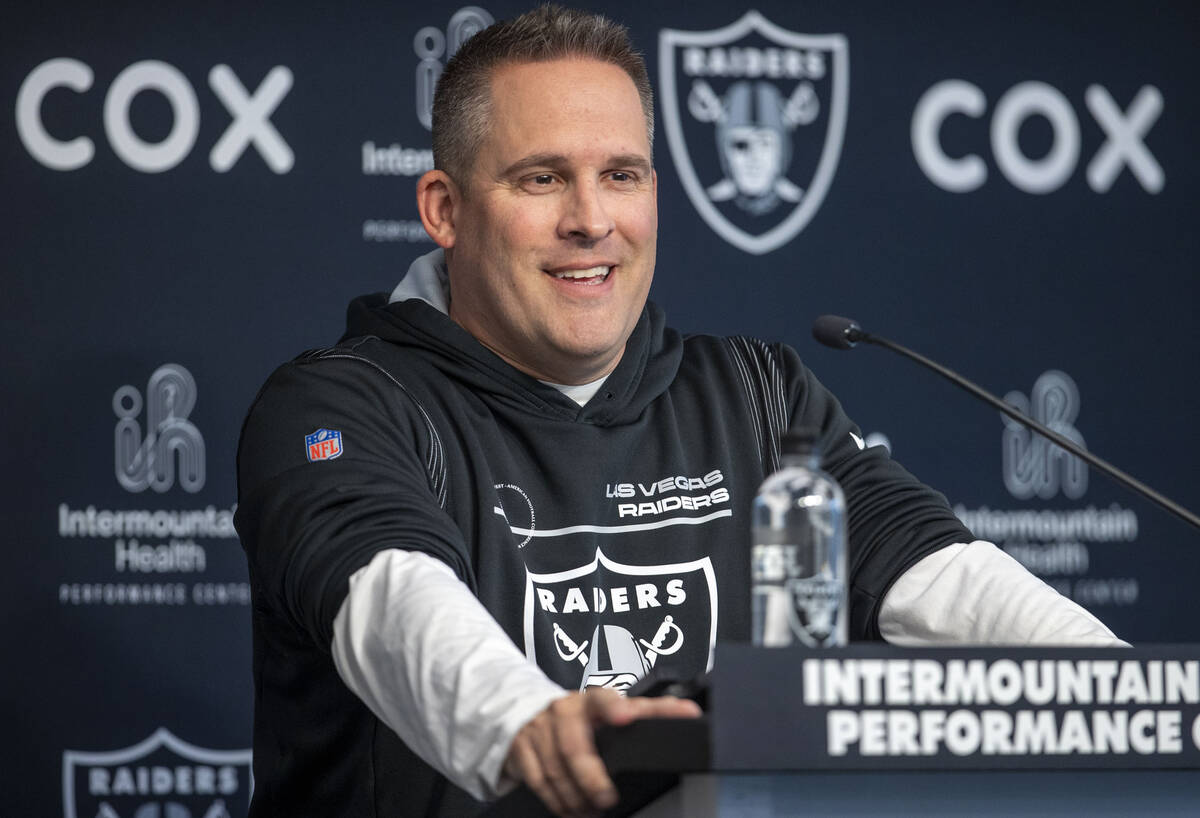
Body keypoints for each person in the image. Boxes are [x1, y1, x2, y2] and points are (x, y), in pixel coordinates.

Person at [235, 6, 1123, 817]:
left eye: (620, 174)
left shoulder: (757, 394)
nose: (591, 220)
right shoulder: (339, 404)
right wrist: (527, 727)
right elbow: (391, 595)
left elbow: (939, 577)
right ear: (445, 209)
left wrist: (1134, 703)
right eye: (542, 179)